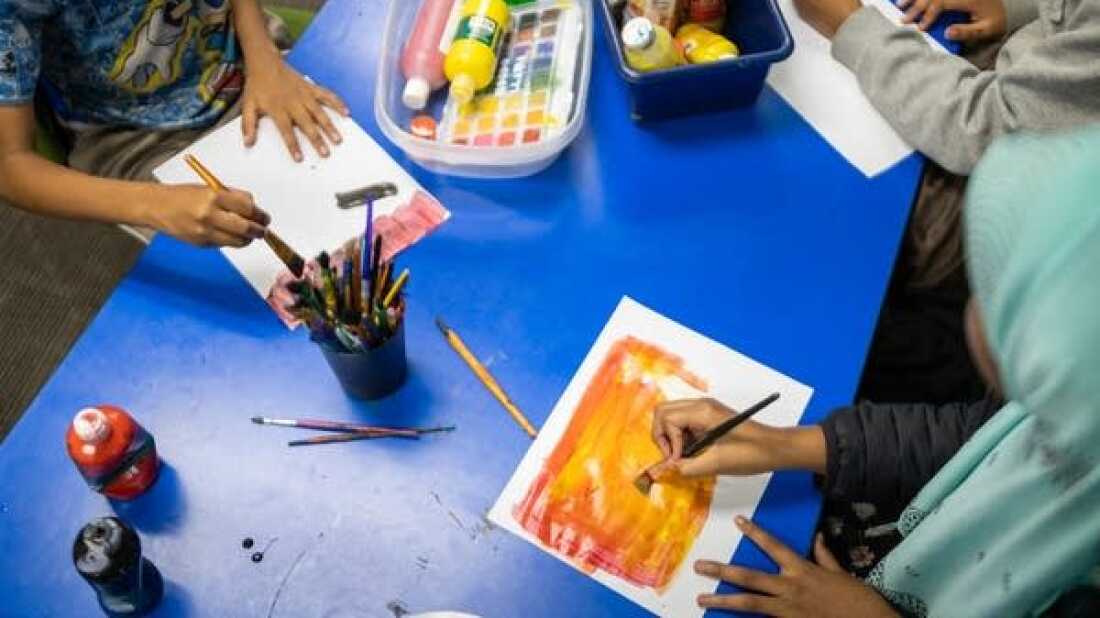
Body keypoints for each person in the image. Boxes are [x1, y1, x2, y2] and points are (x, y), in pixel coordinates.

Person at [651, 126, 1100, 616]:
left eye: (998, 301)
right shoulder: (1077, 412)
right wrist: (783, 445)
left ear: (1059, 370)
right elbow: (976, 435)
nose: (971, 308)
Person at [790, 0, 1100, 289]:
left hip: (1031, 173)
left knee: (835, 211)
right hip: (1036, 82)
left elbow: (986, 129)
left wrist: (850, 27)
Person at [0, 0, 348, 248]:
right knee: (269, 274)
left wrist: (262, 55)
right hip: (137, 140)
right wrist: (155, 205)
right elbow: (11, 166)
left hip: (245, 58)